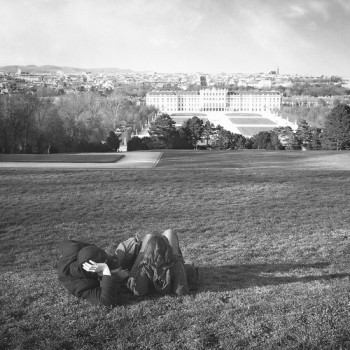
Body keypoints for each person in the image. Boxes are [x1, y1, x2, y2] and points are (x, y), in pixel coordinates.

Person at [57, 239, 128, 307]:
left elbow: (65, 242)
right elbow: (107, 302)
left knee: (130, 244)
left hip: (85, 254)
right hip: (93, 274)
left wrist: (92, 248)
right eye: (105, 262)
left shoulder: (73, 249)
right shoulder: (79, 286)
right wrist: (107, 270)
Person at [126, 229, 189, 297]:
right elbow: (181, 291)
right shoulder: (176, 263)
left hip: (149, 260)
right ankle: (159, 246)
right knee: (169, 233)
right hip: (168, 259)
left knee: (149, 237)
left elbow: (140, 291)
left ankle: (149, 246)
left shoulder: (144, 265)